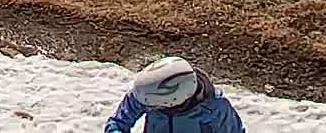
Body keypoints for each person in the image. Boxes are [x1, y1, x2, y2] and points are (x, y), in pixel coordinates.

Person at [104, 57, 243, 133]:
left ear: (173, 101)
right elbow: (117, 123)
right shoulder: (146, 93)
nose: (148, 107)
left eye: (155, 106)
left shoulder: (215, 108)